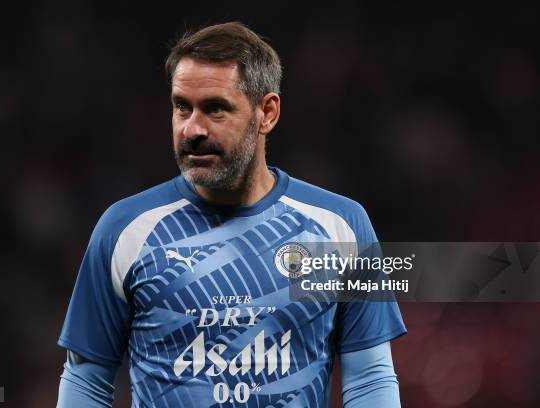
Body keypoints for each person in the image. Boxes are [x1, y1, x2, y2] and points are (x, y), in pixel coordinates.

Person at [57, 21, 406, 408]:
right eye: (181, 107)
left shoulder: (338, 227)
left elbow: (369, 379)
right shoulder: (124, 230)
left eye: (215, 109)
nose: (192, 129)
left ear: (267, 113)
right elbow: (86, 381)